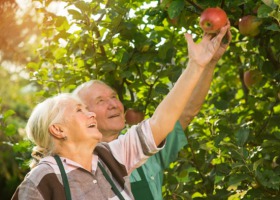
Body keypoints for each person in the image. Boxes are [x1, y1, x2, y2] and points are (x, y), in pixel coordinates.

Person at [12, 23, 231, 200]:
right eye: (81, 109)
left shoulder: (111, 157)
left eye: (114, 97)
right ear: (58, 129)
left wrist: (198, 65)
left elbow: (161, 121)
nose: (91, 114)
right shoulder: (41, 182)